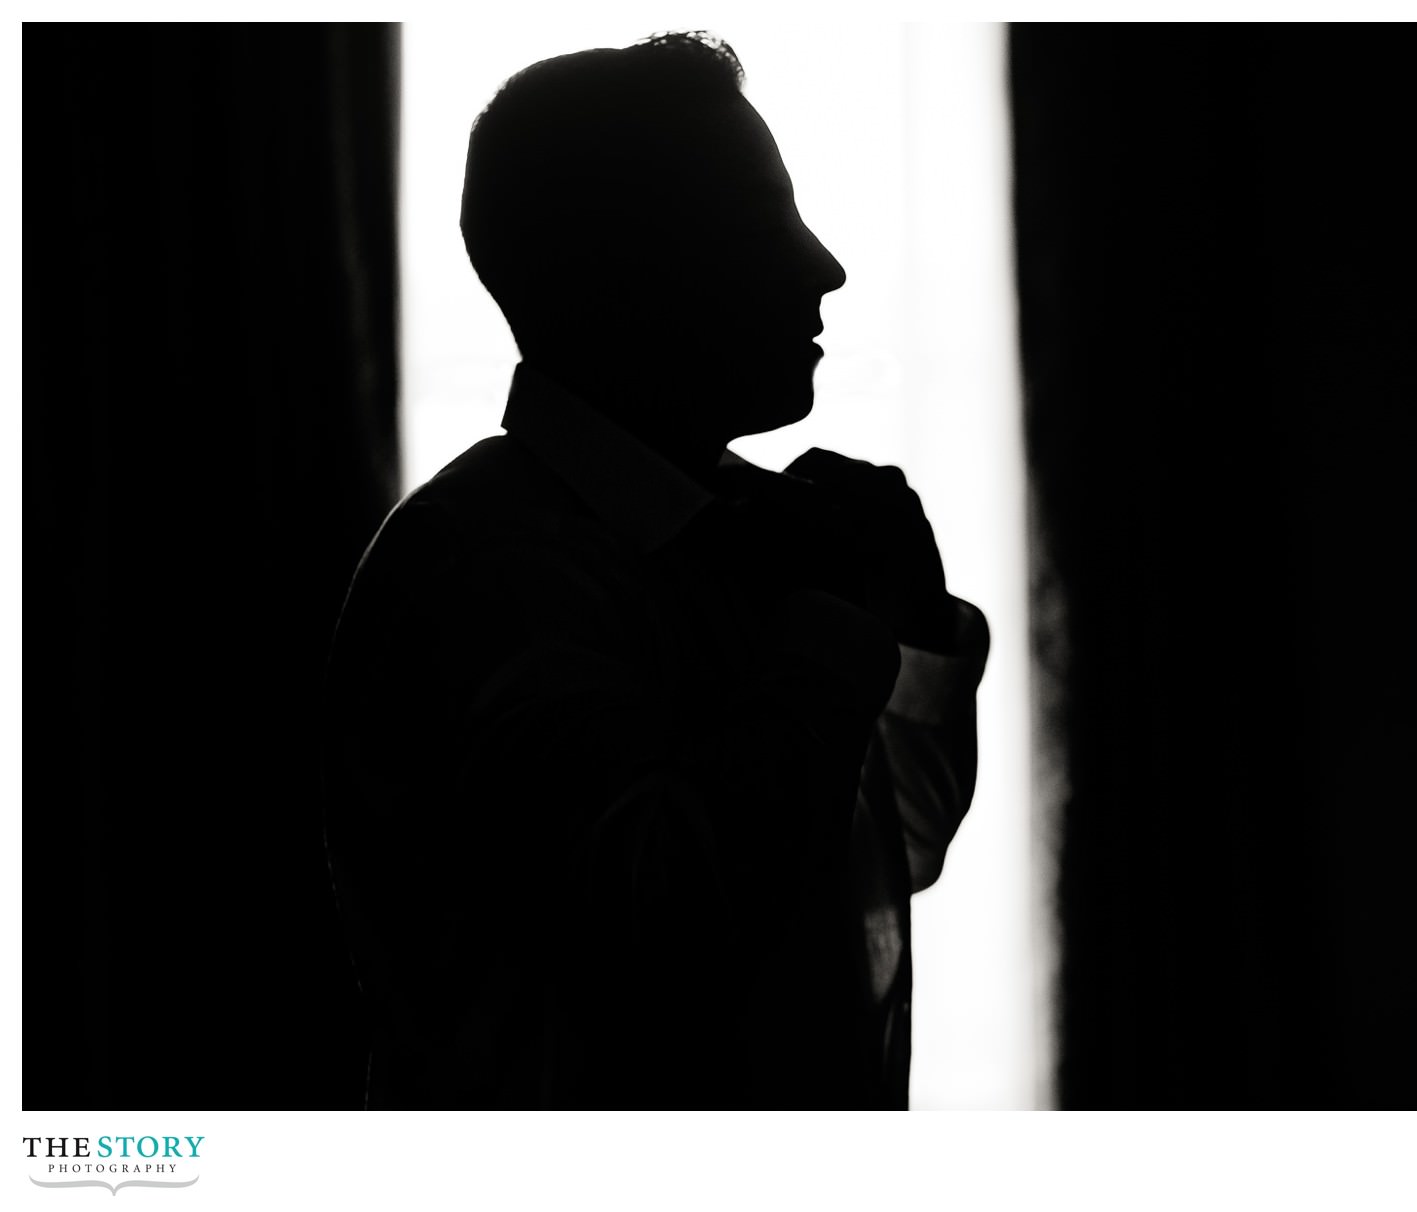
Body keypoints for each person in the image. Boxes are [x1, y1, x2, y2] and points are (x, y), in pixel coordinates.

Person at [322, 31, 988, 1109]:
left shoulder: (746, 532)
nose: (824, 265)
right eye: (763, 215)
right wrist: (831, 628)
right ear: (630, 266)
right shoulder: (485, 567)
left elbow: (887, 855)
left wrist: (901, 622)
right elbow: (659, 933)